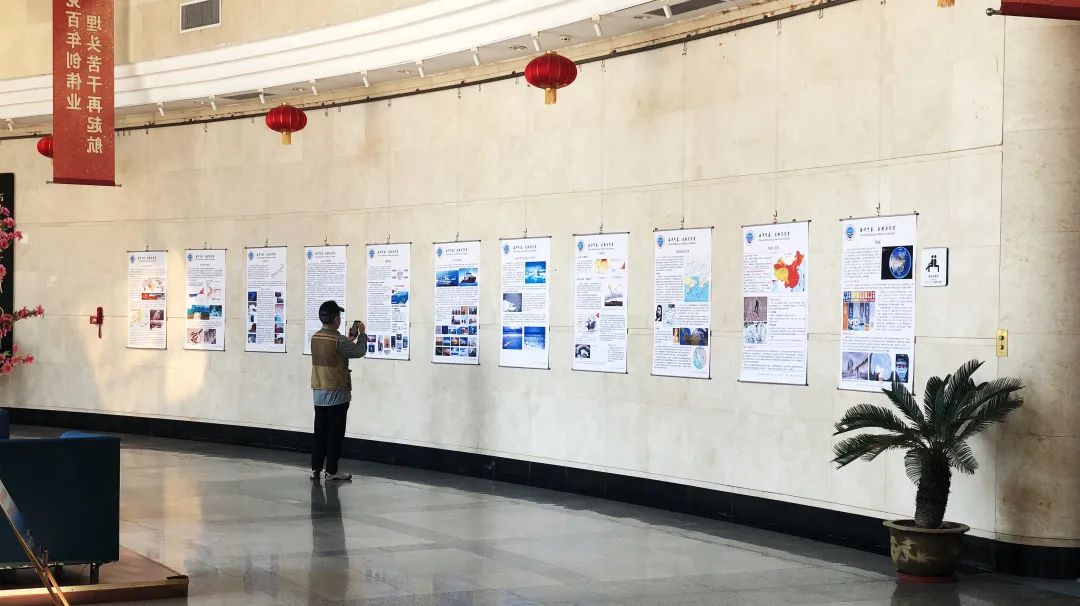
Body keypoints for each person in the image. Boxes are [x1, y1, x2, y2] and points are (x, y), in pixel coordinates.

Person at [309, 300, 367, 481]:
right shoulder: (338, 340)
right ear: (335, 319)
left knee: (320, 432)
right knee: (335, 434)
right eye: (339, 316)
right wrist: (362, 335)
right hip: (337, 393)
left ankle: (315, 469)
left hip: (319, 391)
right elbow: (359, 351)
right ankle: (332, 471)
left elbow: (333, 352)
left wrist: (348, 340)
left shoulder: (316, 337)